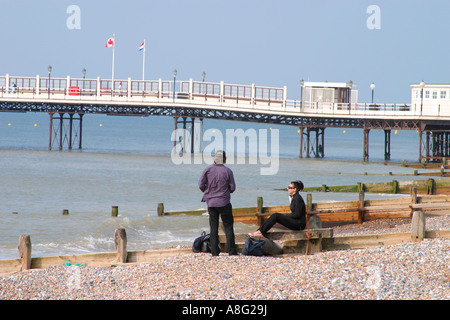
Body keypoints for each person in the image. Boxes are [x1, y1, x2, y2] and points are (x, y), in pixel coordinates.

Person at [198, 150, 237, 256]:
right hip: (224, 202)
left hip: (211, 202)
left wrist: (208, 191)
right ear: (224, 159)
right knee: (228, 226)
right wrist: (226, 191)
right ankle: (232, 251)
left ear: (214, 159)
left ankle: (215, 252)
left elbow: (201, 185)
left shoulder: (207, 170)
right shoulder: (228, 171)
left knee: (213, 228)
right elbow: (233, 188)